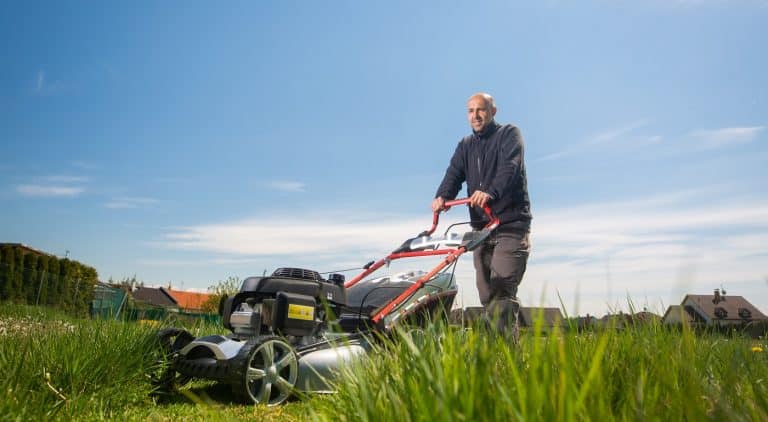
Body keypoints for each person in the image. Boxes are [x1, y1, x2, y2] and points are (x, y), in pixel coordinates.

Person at [432, 92, 532, 334]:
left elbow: (510, 167)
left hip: (510, 224)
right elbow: (454, 174)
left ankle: (506, 357)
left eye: (481, 110)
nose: (475, 115)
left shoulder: (509, 134)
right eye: (470, 111)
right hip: (482, 229)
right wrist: (442, 196)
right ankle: (493, 356)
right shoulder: (465, 145)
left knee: (501, 288)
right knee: (487, 293)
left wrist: (489, 192)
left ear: (493, 111)